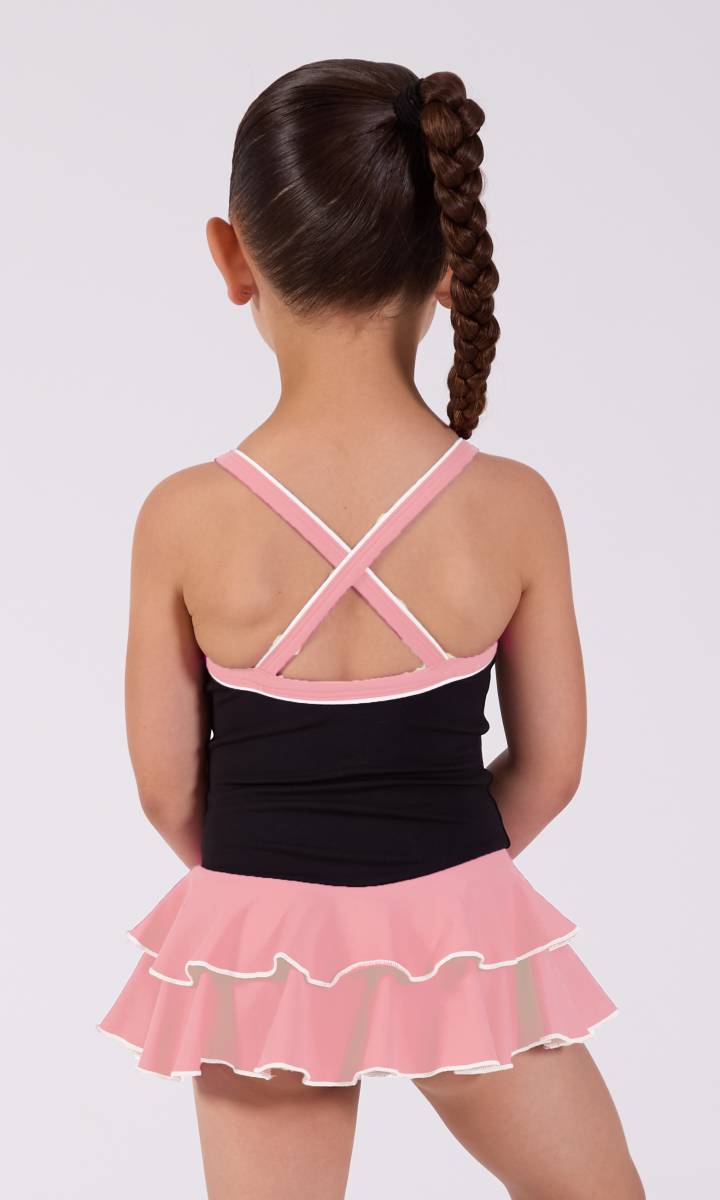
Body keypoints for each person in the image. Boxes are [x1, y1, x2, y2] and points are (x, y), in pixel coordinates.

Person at [96, 59, 645, 1199]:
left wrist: (281, 901)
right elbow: (552, 767)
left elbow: (164, 788)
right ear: (447, 261)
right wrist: (425, 895)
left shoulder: (183, 519)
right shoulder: (513, 508)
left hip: (261, 955)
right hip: (464, 934)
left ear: (232, 255)